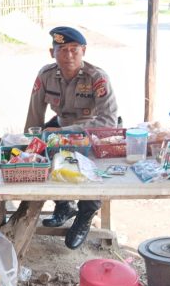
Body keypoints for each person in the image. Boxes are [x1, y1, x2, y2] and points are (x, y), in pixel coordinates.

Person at [24, 26, 118, 250]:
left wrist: (65, 133)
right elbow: (34, 117)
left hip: (92, 132)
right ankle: (63, 204)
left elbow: (109, 122)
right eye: (62, 49)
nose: (68, 56)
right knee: (42, 153)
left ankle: (86, 213)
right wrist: (31, 145)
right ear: (52, 52)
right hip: (62, 127)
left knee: (89, 166)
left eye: (74, 50)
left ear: (83, 50)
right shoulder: (46, 75)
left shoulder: (97, 78)